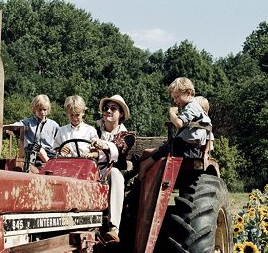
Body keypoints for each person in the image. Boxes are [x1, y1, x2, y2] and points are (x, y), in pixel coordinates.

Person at [138, 77, 212, 180]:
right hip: (185, 148)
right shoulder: (196, 108)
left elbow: (178, 123)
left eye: (177, 97)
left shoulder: (192, 106)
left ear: (188, 92)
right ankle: (135, 171)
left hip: (181, 148)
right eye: (173, 98)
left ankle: (136, 191)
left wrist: (172, 112)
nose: (175, 101)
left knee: (144, 166)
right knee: (146, 153)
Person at [90, 94, 131, 243]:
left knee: (114, 173)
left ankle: (114, 228)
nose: (108, 110)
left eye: (113, 108)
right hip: (90, 169)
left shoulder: (127, 135)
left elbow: (119, 149)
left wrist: (102, 145)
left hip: (110, 172)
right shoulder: (92, 130)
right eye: (106, 108)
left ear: (120, 114)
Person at [12, 94, 59, 163]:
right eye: (39, 110)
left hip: (49, 153)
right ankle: (48, 163)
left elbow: (60, 139)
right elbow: (16, 125)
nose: (42, 112)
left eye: (44, 109)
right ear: (34, 109)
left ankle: (48, 161)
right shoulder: (28, 122)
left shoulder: (54, 125)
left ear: (48, 109)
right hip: (31, 153)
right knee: (38, 148)